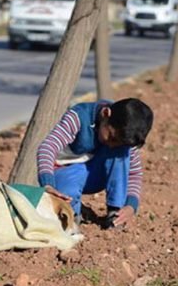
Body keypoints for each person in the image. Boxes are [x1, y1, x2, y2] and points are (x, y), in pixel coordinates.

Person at [36, 98, 154, 229]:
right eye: (111, 137)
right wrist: (48, 184)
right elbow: (47, 147)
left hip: (96, 174)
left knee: (120, 152)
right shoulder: (78, 117)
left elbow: (134, 173)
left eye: (118, 142)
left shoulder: (126, 134)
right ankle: (73, 215)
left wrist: (131, 205)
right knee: (68, 198)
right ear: (105, 114)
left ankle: (115, 213)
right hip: (66, 174)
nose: (112, 144)